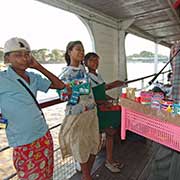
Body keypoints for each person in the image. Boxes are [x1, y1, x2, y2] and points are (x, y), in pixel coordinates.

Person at [0, 37, 71, 180]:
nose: (24, 58)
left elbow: (60, 85)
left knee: (47, 175)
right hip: (23, 142)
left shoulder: (33, 77)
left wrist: (38, 66)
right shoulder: (2, 79)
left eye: (27, 54)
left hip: (44, 135)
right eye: (18, 55)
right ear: (7, 58)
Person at [58, 41, 100, 180]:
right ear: (69, 52)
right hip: (78, 115)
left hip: (91, 113)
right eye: (78, 50)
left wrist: (78, 89)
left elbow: (88, 91)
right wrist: (74, 90)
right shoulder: (65, 73)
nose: (81, 52)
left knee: (95, 143)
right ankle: (87, 176)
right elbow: (63, 96)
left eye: (82, 50)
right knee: (80, 147)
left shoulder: (83, 71)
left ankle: (87, 175)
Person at [84, 52, 125, 173]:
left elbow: (102, 90)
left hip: (104, 108)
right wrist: (103, 102)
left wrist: (109, 99)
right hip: (96, 110)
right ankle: (96, 165)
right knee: (105, 134)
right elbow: (89, 98)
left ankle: (109, 159)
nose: (95, 63)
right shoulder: (86, 78)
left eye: (96, 60)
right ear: (86, 63)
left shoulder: (98, 75)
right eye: (91, 60)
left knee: (111, 132)